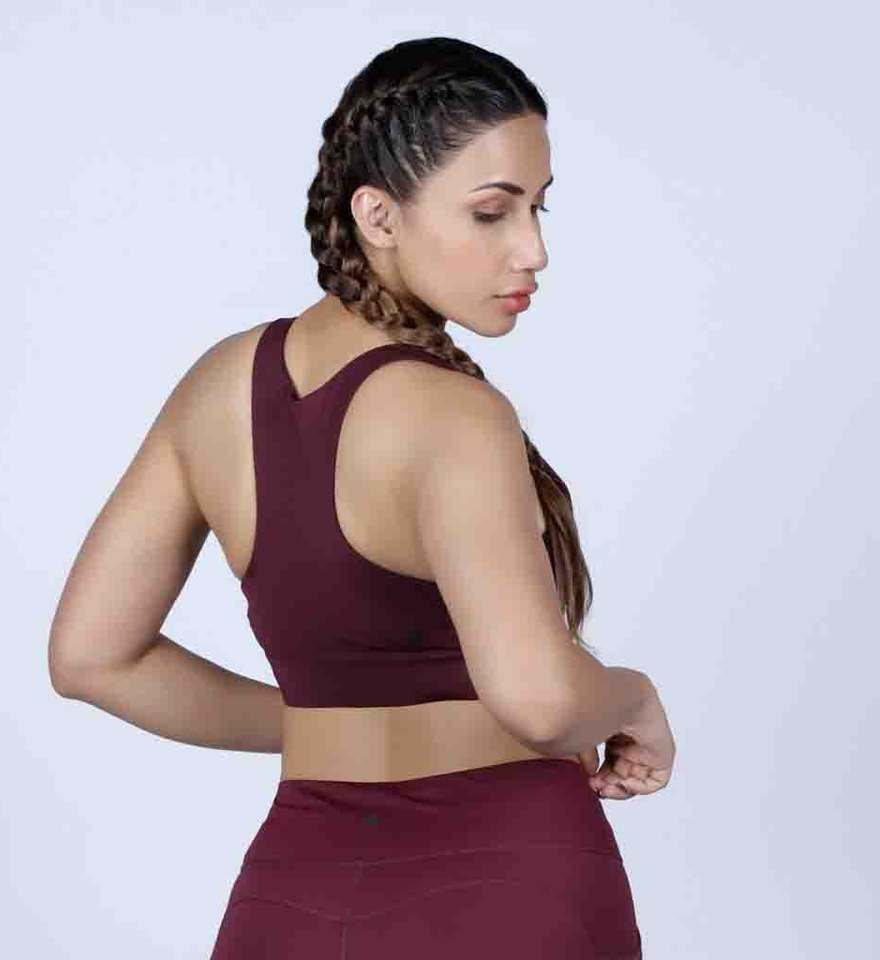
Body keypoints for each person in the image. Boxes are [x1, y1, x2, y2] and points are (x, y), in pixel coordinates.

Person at [48, 35, 675, 958]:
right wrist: (636, 701)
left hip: (295, 894)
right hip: (511, 887)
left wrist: (335, 731)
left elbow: (92, 657)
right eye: (492, 212)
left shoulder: (218, 388)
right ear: (378, 214)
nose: (534, 249)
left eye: (538, 208)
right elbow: (542, 701)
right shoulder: (456, 416)